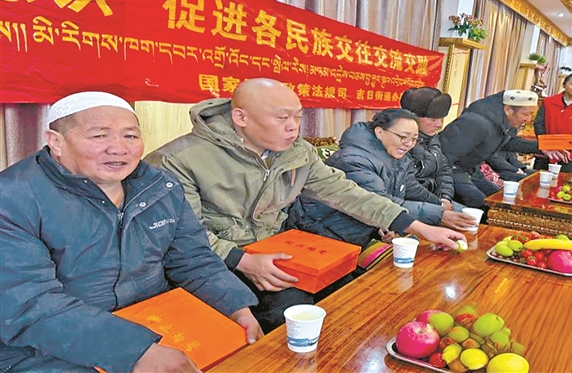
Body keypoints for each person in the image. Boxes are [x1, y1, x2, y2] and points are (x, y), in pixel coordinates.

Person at [145, 79, 465, 333]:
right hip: (215, 263)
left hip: (275, 249)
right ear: (241, 117)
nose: (293, 127)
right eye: (282, 118)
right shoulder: (178, 160)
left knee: (350, 294)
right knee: (294, 311)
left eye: (298, 117)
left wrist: (418, 226)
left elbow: (345, 192)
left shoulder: (295, 152)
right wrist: (242, 260)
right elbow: (183, 236)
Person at [0, 92, 261, 373]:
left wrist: (235, 308)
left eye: (130, 136)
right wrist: (133, 352)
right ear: (56, 142)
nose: (119, 148)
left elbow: (193, 259)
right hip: (46, 347)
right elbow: (28, 303)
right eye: (100, 136)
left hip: (155, 322)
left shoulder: (160, 186)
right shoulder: (12, 198)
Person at [291, 109, 477, 248]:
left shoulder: (397, 155)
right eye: (403, 137)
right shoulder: (354, 159)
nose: (409, 144)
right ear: (380, 132)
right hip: (322, 231)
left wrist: (439, 203)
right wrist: (438, 215)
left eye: (414, 139)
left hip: (361, 229)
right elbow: (375, 201)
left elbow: (409, 187)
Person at [440, 90, 544, 209]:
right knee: (483, 204)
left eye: (531, 115)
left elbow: (508, 143)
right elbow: (445, 157)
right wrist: (444, 192)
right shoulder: (476, 122)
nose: (528, 119)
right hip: (451, 172)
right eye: (525, 114)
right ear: (508, 110)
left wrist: (543, 147)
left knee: (499, 200)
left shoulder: (506, 122)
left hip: (472, 171)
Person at [399, 87, 457, 209]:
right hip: (411, 203)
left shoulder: (432, 138)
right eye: (433, 120)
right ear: (413, 118)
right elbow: (408, 185)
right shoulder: (400, 142)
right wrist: (438, 204)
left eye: (441, 119)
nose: (439, 125)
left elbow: (443, 170)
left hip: (435, 200)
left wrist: (445, 197)